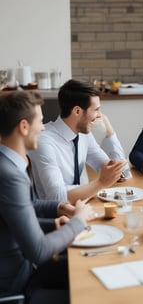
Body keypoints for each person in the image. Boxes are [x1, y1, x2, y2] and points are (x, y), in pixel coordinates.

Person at [0, 90, 94, 303]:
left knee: (97, 265)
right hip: (20, 284)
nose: (43, 128)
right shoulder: (9, 175)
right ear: (24, 127)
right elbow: (39, 251)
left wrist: (58, 211)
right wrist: (78, 221)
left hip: (25, 269)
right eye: (40, 122)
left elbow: (28, 206)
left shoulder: (8, 162)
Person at [28, 79, 127, 203]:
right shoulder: (44, 142)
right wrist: (100, 183)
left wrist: (109, 132)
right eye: (96, 110)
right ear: (77, 111)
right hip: (55, 216)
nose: (99, 115)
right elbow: (56, 196)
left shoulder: (83, 133)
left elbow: (117, 171)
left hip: (81, 207)